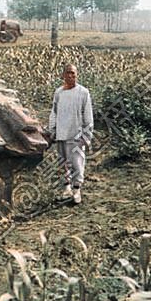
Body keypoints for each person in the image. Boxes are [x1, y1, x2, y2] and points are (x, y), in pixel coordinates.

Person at [48, 64, 94, 204]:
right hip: (61, 133)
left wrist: (86, 135)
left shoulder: (83, 92)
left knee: (77, 163)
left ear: (77, 75)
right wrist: (52, 130)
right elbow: (54, 112)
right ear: (63, 75)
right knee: (63, 163)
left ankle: (76, 190)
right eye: (68, 73)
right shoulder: (59, 92)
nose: (70, 76)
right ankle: (66, 188)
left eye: (73, 73)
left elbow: (88, 116)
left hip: (76, 135)